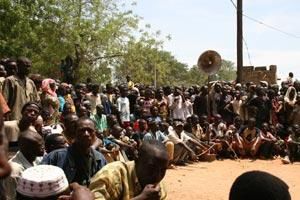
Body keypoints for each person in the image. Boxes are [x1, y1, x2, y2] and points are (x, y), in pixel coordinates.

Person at [89, 140, 168, 200]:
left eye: (163, 170)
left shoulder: (159, 188)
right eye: (151, 168)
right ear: (136, 160)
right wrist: (140, 199)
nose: (157, 176)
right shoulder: (112, 175)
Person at [41, 117, 107, 186]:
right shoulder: (56, 157)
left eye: (90, 130)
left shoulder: (99, 159)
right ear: (75, 133)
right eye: (82, 130)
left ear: (95, 134)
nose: (86, 134)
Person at [1, 130, 45, 199]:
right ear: (27, 149)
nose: (43, 147)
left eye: (43, 143)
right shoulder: (14, 171)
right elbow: (11, 197)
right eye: (39, 145)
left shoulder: (36, 159)